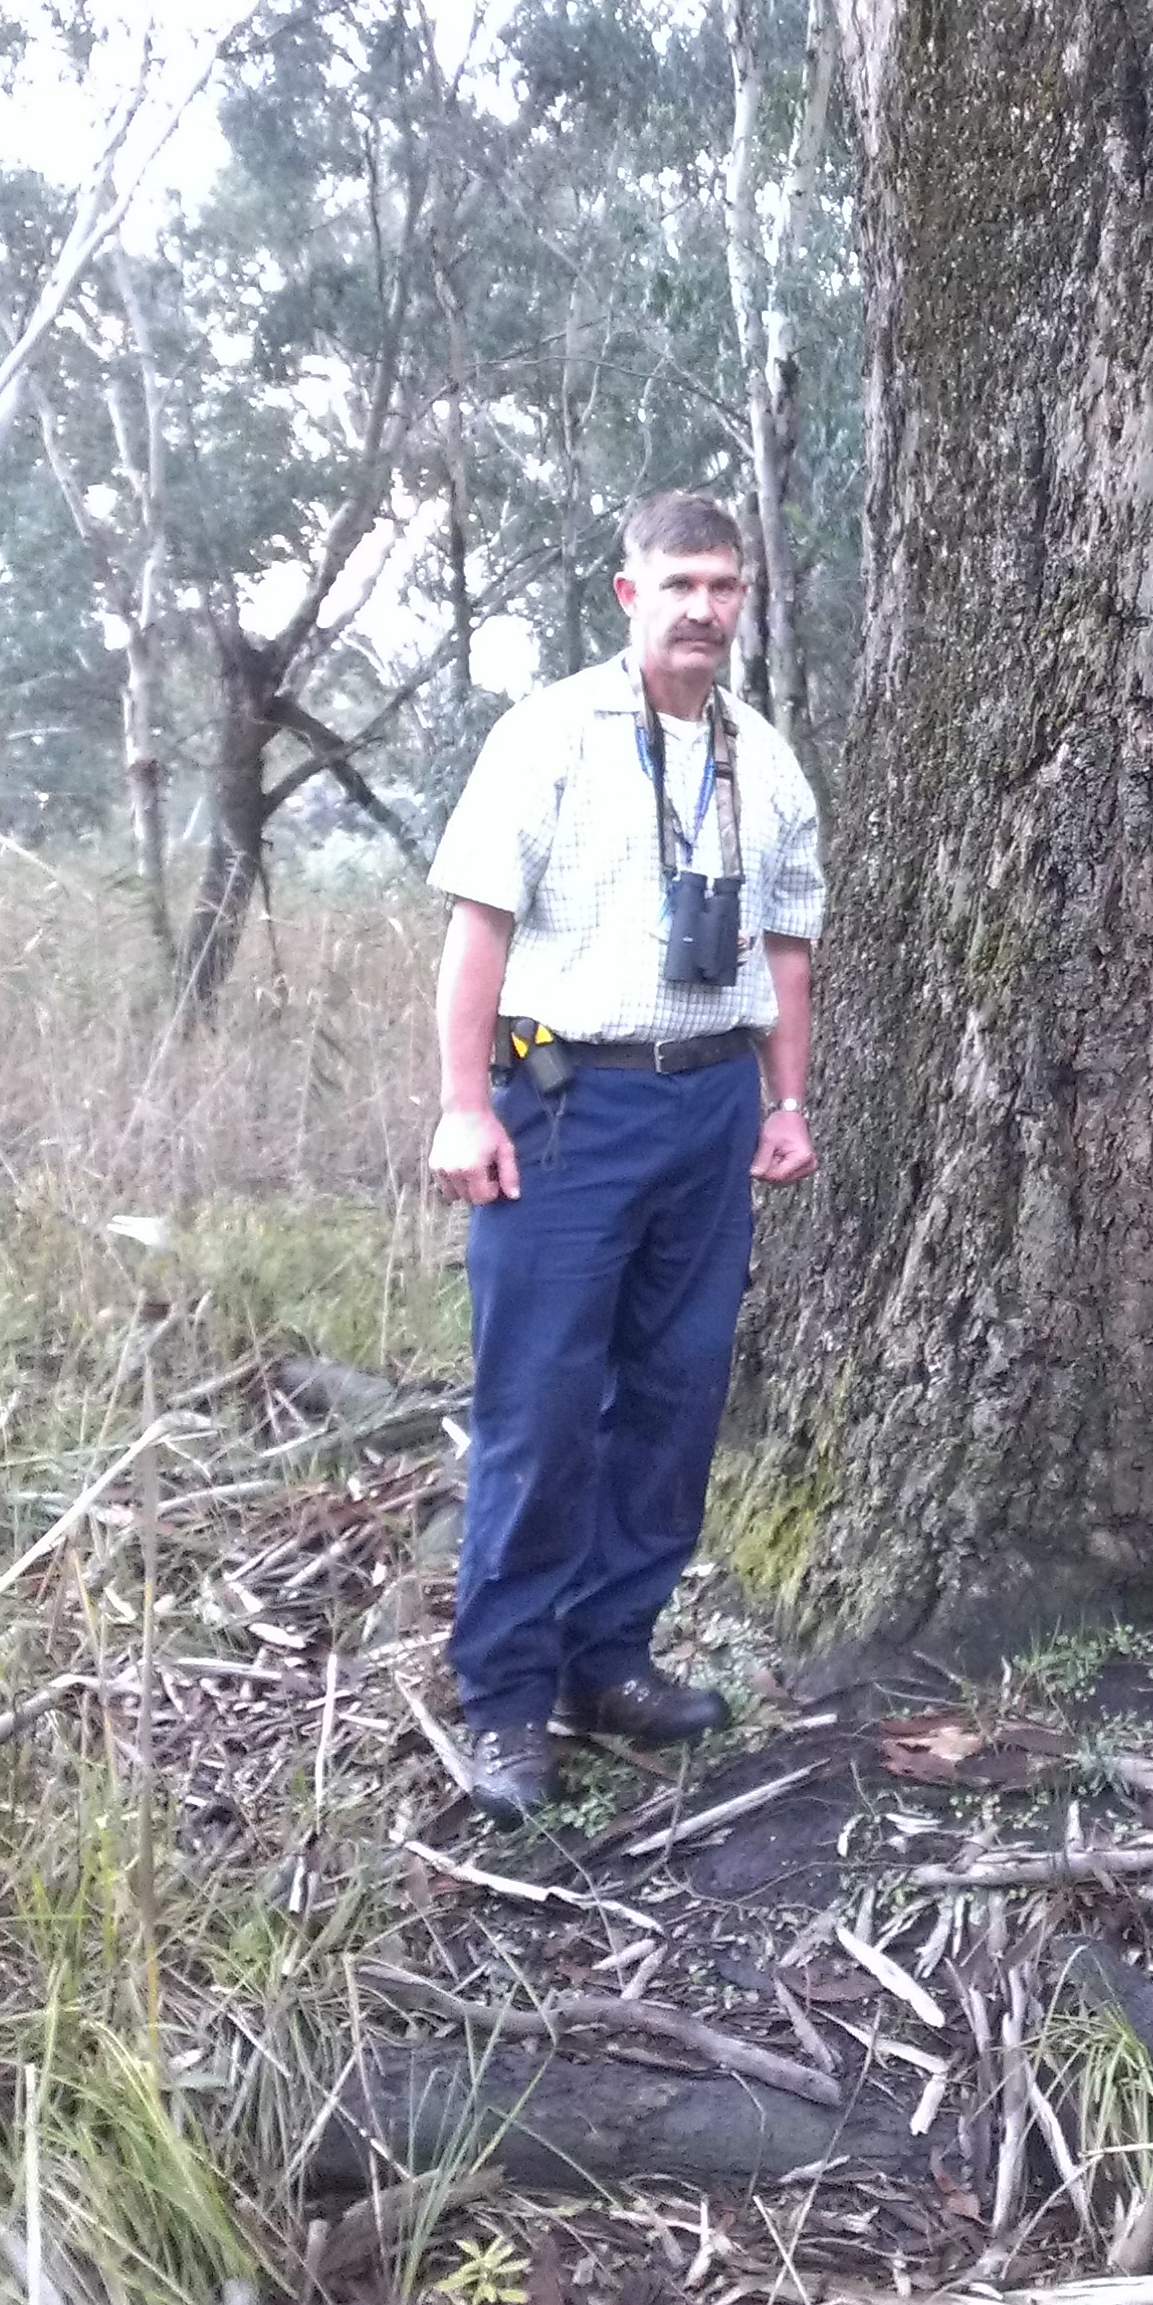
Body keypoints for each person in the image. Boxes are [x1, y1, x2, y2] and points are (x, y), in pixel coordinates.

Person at [423, 491, 823, 1825]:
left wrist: (788, 1101)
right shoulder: (547, 739)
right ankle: (503, 1702)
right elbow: (476, 931)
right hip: (563, 1106)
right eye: (682, 585)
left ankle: (610, 1662)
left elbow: (784, 950)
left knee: (672, 1400)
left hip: (709, 1112)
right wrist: (462, 1106)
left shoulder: (761, 761)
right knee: (540, 1406)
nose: (705, 609)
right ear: (628, 594)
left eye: (725, 587)